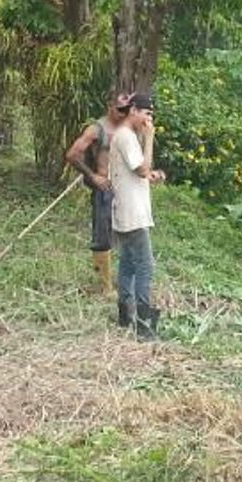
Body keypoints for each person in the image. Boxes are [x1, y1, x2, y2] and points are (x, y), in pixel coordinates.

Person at [108, 88, 166, 339]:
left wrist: (150, 174)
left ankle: (125, 315)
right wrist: (150, 138)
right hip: (133, 215)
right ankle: (144, 324)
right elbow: (142, 169)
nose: (148, 121)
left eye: (151, 116)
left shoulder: (127, 135)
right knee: (145, 266)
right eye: (146, 114)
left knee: (129, 265)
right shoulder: (126, 136)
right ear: (133, 110)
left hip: (127, 211)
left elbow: (139, 172)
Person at [64, 90, 132, 295]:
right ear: (110, 106)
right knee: (102, 236)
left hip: (125, 189)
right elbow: (73, 154)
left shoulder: (129, 127)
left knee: (128, 233)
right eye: (120, 109)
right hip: (105, 188)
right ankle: (104, 285)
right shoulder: (97, 129)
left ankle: (124, 281)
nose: (124, 112)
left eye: (127, 109)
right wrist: (92, 176)